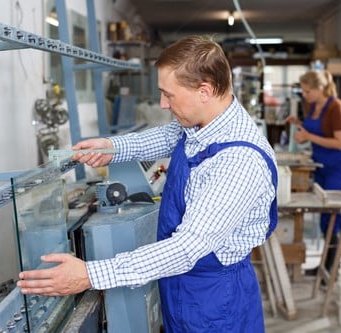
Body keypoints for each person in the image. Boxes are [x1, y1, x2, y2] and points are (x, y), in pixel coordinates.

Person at [17, 35, 278, 332]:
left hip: (215, 300)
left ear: (204, 91)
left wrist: (91, 274)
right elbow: (166, 137)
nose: (163, 104)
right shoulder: (204, 122)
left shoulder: (238, 162)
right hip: (186, 286)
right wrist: (110, 147)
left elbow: (186, 249)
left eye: (169, 95)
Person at [285, 70, 341, 275]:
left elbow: (339, 142)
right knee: (324, 216)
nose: (304, 95)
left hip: (338, 165)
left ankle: (332, 267)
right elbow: (315, 132)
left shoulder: (336, 107)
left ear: (319, 89)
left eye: (307, 91)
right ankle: (326, 264)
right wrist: (298, 124)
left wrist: (308, 136)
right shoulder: (313, 106)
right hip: (322, 165)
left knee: (333, 215)